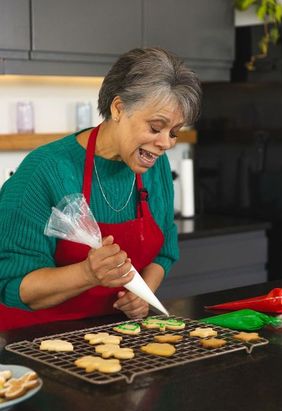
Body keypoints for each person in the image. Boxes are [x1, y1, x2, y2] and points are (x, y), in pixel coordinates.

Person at [0, 47, 202, 330]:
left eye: (174, 132)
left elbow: (164, 252)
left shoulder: (155, 167)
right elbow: (13, 284)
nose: (167, 143)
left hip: (116, 336)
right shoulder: (45, 170)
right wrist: (87, 273)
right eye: (156, 127)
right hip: (36, 341)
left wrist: (142, 294)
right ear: (118, 108)